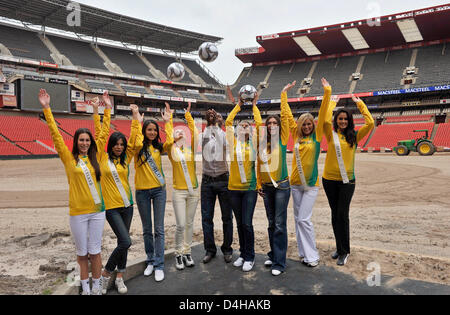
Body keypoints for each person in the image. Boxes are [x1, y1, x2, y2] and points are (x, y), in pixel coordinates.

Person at [38, 89, 110, 295]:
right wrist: (46, 109)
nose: (85, 143)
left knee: (95, 252)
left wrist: (103, 111)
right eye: (81, 140)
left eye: (88, 140)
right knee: (82, 253)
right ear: (76, 142)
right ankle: (85, 286)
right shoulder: (69, 160)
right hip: (78, 213)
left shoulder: (99, 158)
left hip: (98, 212)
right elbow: (55, 134)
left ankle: (97, 285)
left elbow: (103, 133)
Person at [282, 79, 334, 269]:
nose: (306, 127)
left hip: (311, 185)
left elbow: (322, 112)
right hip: (295, 184)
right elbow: (287, 116)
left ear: (312, 125)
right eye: (303, 124)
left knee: (304, 219)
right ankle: (303, 253)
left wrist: (327, 91)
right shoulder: (296, 135)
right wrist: (284, 95)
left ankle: (313, 255)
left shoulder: (317, 135)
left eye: (308, 124)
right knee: (297, 220)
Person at [92, 103, 143, 294]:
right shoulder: (102, 157)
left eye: (122, 144)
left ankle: (119, 277)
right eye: (117, 144)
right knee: (125, 242)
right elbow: (100, 134)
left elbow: (135, 141)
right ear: (111, 145)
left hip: (128, 206)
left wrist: (135, 116)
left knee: (124, 242)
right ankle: (106, 274)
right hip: (111, 208)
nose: (120, 147)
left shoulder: (126, 158)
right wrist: (103, 111)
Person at [322, 94, 375, 266]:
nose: (342, 121)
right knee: (334, 215)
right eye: (340, 119)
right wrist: (331, 104)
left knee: (342, 215)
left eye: (345, 119)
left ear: (349, 120)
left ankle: (345, 251)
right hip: (329, 180)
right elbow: (323, 121)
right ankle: (339, 247)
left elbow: (371, 123)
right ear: (336, 120)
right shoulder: (331, 135)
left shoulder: (355, 136)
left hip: (347, 182)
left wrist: (360, 105)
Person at [134, 102, 173, 282]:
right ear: (144, 131)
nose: (152, 132)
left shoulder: (159, 148)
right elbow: (133, 139)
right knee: (147, 229)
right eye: (149, 130)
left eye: (154, 130)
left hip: (159, 191)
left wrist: (168, 121)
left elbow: (171, 141)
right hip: (142, 192)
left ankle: (159, 265)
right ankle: (150, 260)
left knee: (159, 229)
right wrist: (136, 120)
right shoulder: (136, 149)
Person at [225, 94, 262, 272]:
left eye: (247, 126)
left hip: (249, 190)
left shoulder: (254, 143)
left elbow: (260, 125)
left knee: (247, 223)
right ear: (237, 130)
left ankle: (251, 256)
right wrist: (238, 106)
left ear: (251, 131)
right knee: (239, 224)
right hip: (233, 189)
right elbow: (227, 123)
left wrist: (254, 106)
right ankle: (243, 254)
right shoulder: (232, 143)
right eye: (241, 126)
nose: (244, 127)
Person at [256, 95, 290, 276]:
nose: (271, 126)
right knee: (271, 223)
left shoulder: (283, 139)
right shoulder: (263, 143)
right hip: (267, 188)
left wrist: (283, 96)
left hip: (282, 187)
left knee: (279, 224)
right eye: (268, 123)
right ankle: (273, 254)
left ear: (279, 125)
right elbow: (258, 165)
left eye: (274, 123)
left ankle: (279, 262)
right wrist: (259, 184)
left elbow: (285, 116)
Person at [165, 102, 200, 270]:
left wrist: (188, 116)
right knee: (180, 224)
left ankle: (187, 252)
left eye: (181, 132)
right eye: (176, 132)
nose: (180, 133)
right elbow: (166, 142)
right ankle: (178, 253)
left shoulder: (191, 150)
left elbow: (195, 133)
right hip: (178, 192)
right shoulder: (172, 152)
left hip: (193, 191)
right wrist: (168, 120)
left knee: (189, 223)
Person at [200, 108, 233, 264]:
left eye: (219, 116)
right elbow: (205, 140)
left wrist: (215, 125)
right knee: (207, 218)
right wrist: (209, 123)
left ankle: (227, 249)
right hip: (207, 181)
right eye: (215, 116)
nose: (216, 117)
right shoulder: (204, 135)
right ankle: (210, 250)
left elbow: (223, 143)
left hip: (223, 179)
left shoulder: (224, 135)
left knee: (227, 217)